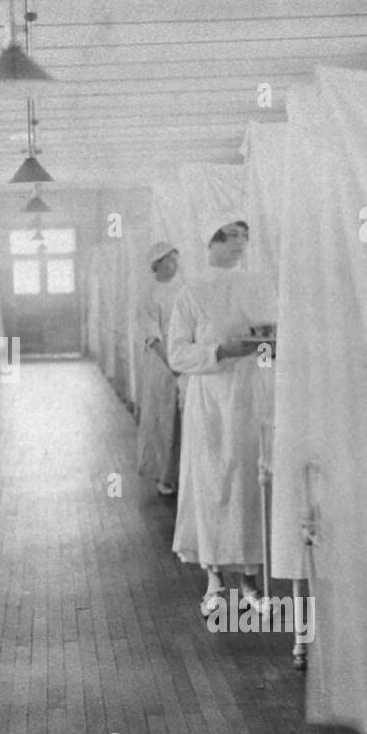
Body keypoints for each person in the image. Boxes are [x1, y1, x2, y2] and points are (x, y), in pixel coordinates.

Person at [167, 221, 275, 618]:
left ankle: (249, 579)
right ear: (209, 241)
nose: (238, 244)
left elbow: (267, 348)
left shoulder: (257, 285)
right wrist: (220, 352)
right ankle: (213, 578)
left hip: (249, 398)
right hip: (210, 402)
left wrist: (266, 351)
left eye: (244, 237)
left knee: (248, 483)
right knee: (211, 483)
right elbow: (178, 354)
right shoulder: (191, 292)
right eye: (229, 236)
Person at [137, 241, 184, 496]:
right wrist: (173, 364)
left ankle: (181, 473)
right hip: (161, 363)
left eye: (177, 261)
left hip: (181, 361)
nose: (175, 266)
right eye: (170, 261)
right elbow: (153, 337)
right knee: (163, 419)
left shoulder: (182, 290)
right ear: (158, 265)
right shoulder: (149, 295)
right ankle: (164, 476)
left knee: (180, 421)